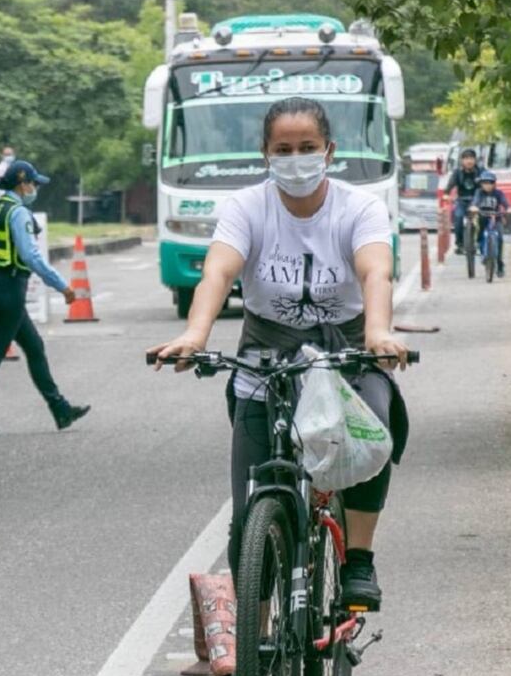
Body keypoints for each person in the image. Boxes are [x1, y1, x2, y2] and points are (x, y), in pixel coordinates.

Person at [150, 96, 411, 625]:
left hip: (347, 349)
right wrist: (195, 334)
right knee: (248, 514)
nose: (297, 159)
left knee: (371, 431)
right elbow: (218, 274)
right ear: (265, 155)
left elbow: (375, 273)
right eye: (284, 149)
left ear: (329, 152)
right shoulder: (246, 207)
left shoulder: (360, 207)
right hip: (265, 355)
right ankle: (256, 639)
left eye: (308, 148)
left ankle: (358, 559)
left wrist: (380, 331)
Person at [0, 160, 90, 436]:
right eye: (34, 183)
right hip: (9, 289)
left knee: (34, 347)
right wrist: (62, 285)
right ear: (22, 183)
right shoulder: (18, 214)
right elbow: (30, 256)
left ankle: (60, 409)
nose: (35, 188)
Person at [469, 170, 511, 276]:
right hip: (483, 216)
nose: (487, 186)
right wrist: (474, 207)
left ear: (494, 184)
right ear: (481, 184)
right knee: (480, 235)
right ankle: (482, 251)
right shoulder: (479, 192)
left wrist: (508, 208)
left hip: (496, 217)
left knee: (500, 238)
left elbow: (505, 202)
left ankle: (500, 264)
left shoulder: (498, 193)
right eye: (485, 183)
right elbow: (475, 201)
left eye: (490, 183)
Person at [445, 147, 484, 254]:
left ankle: (481, 242)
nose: (469, 161)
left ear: (475, 160)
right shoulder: (457, 172)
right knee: (458, 218)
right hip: (462, 201)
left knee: (483, 219)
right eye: (466, 158)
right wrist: (446, 194)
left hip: (478, 201)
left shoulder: (481, 171)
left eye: (471, 158)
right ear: (462, 160)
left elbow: (489, 182)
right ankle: (460, 244)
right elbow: (450, 185)